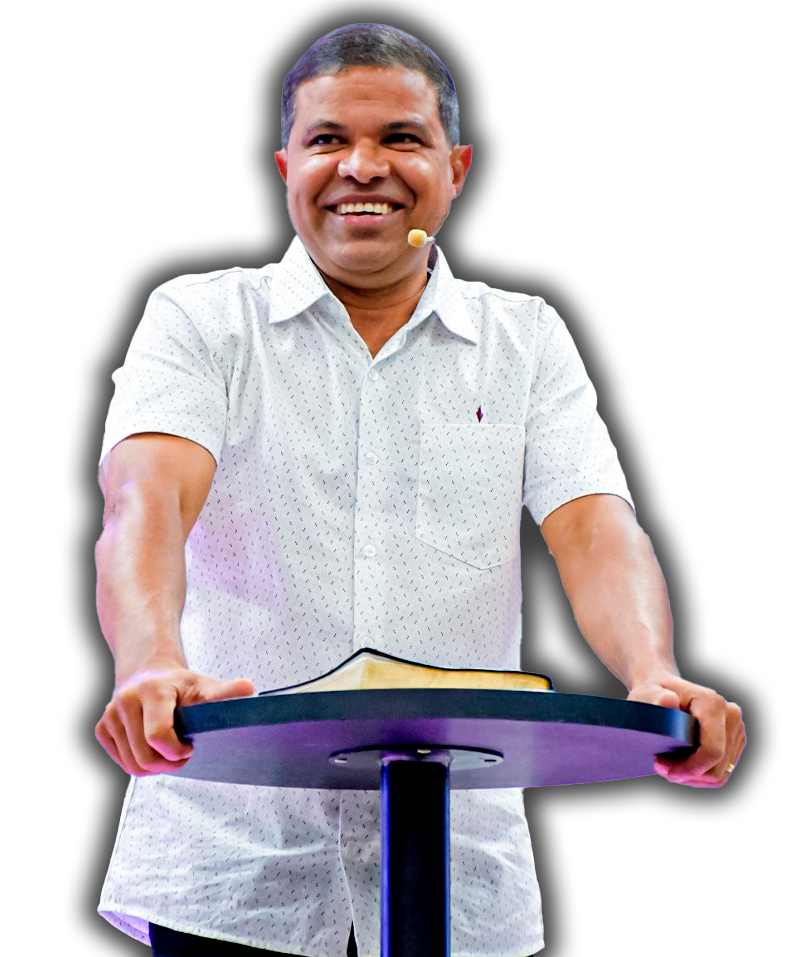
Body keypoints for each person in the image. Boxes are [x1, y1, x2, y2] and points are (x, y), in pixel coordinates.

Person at [93, 22, 746, 957]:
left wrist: (653, 671)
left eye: (401, 138)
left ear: (458, 166)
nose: (363, 166)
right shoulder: (201, 318)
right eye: (328, 139)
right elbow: (145, 504)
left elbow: (594, 527)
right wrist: (150, 664)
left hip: (462, 868)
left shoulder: (527, 337)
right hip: (231, 861)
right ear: (284, 165)